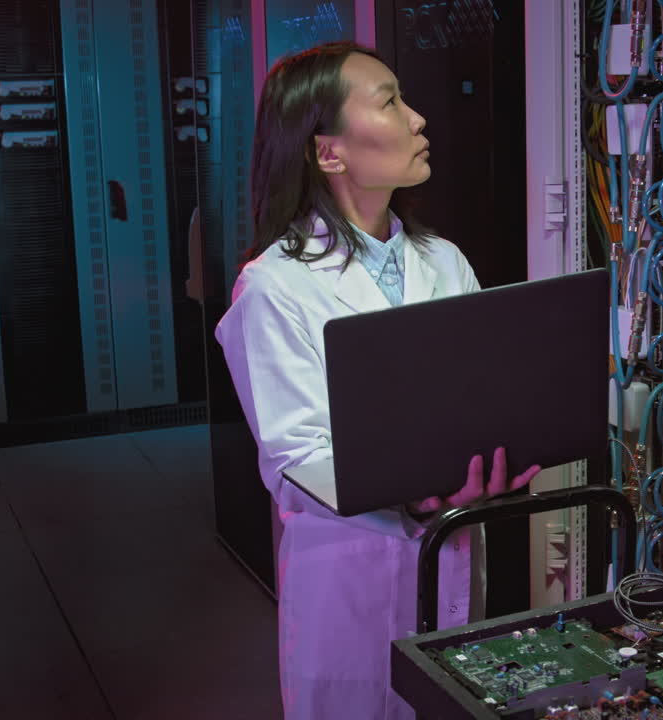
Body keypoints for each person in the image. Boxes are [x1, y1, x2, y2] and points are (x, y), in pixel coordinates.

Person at [213, 42, 541, 719]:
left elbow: (482, 396)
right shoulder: (275, 286)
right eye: (390, 101)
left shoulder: (443, 260)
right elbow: (296, 457)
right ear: (329, 152)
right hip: (348, 572)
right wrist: (418, 495)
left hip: (452, 547)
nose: (419, 119)